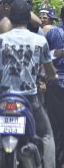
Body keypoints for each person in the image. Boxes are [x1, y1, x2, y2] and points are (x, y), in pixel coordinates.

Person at [0, 0, 57, 168]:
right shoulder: (40, 41)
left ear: (10, 18)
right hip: (30, 99)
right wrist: (50, 77)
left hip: (3, 97)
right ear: (27, 18)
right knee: (47, 135)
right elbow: (50, 72)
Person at [45, 14, 64, 168]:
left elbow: (45, 57)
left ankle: (54, 162)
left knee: (54, 126)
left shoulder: (53, 32)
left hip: (55, 83)